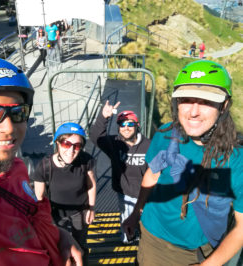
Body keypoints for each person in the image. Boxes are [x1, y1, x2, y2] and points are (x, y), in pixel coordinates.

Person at [123, 60, 243, 265]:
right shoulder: (166, 134)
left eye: (206, 101)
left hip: (207, 247)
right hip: (156, 243)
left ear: (224, 106)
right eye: (185, 100)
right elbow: (153, 174)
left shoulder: (236, 159)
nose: (193, 111)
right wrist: (136, 213)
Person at [0, 56, 82, 266]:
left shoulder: (15, 169)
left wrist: (58, 235)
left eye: (18, 112)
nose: (8, 128)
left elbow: (23, 220)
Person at [32, 122, 96, 264]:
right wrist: (44, 220)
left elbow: (91, 184)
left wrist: (91, 208)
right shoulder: (44, 166)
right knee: (58, 244)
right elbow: (39, 198)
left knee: (80, 243)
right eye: (66, 143)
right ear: (58, 143)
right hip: (55, 213)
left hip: (80, 210)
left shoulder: (86, 161)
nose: (71, 150)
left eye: (77, 145)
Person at [90, 101, 151, 243]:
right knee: (126, 221)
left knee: (146, 223)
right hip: (124, 194)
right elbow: (96, 138)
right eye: (122, 124)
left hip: (145, 193)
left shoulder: (149, 145)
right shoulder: (115, 143)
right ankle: (128, 241)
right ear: (118, 128)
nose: (126, 127)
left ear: (137, 126)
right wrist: (103, 117)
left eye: (130, 124)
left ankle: (144, 242)